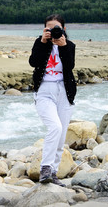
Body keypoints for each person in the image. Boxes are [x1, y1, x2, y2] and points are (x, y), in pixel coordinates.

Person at [29, 14, 77, 185]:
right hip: (44, 91)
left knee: (61, 135)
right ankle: (45, 168)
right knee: (54, 127)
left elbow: (70, 66)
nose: (53, 31)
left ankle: (53, 173)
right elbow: (33, 62)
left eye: (56, 28)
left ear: (63, 29)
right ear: (44, 29)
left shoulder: (69, 45)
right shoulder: (39, 43)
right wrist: (43, 42)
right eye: (49, 28)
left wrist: (62, 46)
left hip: (64, 92)